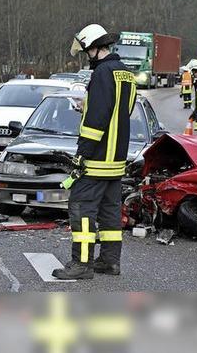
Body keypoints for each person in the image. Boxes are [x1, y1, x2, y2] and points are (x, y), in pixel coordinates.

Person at [52, 24, 137, 280]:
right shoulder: (126, 74)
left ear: (96, 48)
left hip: (97, 159)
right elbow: (121, 112)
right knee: (110, 212)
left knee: (81, 208)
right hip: (116, 160)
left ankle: (82, 265)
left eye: (87, 50)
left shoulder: (102, 74)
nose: (86, 56)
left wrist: (82, 154)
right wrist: (87, 107)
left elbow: (96, 121)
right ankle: (110, 262)